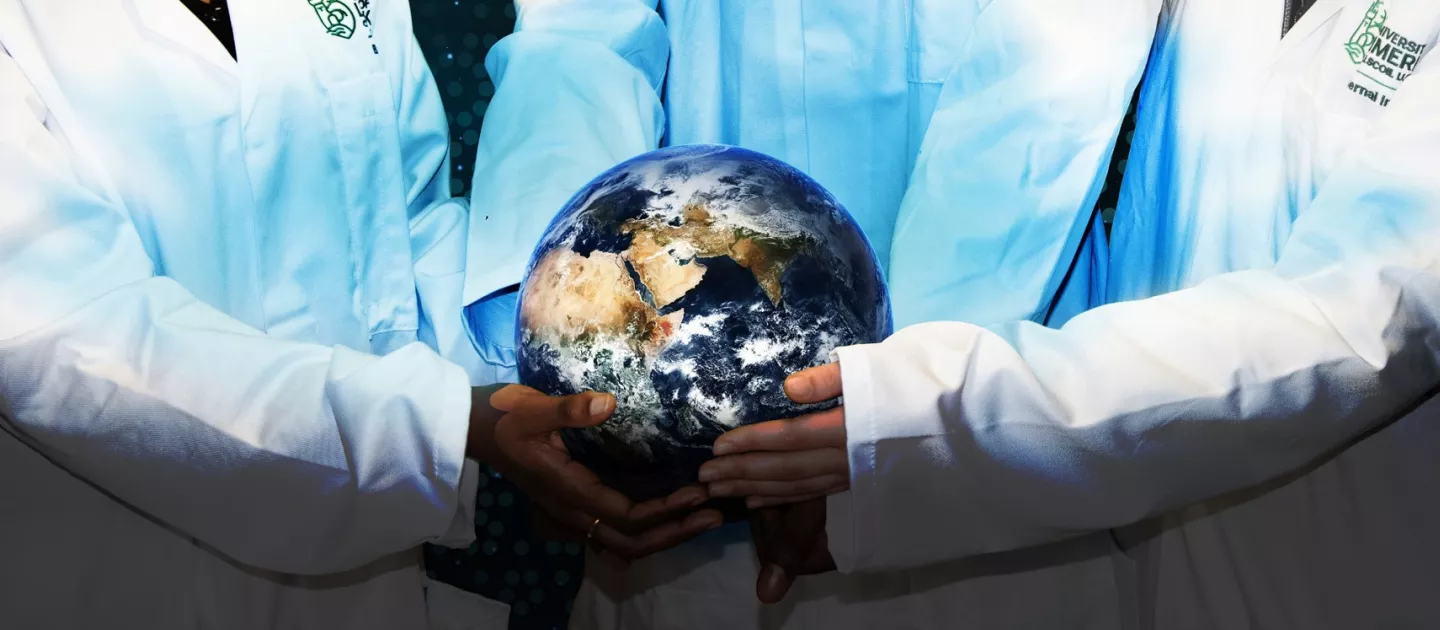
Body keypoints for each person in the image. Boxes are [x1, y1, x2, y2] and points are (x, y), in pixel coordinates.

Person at [703, 0, 1440, 628]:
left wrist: (918, 424)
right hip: (1150, 563)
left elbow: (1361, 320)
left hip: (1358, 575)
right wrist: (887, 459)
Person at [0, 2, 719, 629]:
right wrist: (450, 425)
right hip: (112, 583)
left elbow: (402, 234)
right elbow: (67, 346)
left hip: (368, 590)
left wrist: (536, 398)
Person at [462, 0, 1163, 627]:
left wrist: (903, 406)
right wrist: (562, 355)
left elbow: (1055, 66)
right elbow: (583, 40)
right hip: (670, 457)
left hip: (990, 420)